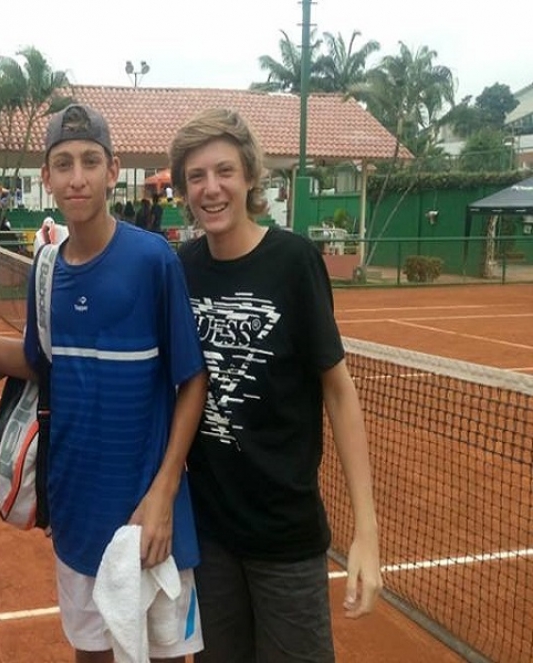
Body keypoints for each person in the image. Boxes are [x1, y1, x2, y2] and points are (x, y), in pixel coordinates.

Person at [0, 103, 209, 663]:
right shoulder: (44, 270)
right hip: (77, 516)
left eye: (90, 162)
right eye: (63, 164)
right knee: (92, 656)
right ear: (46, 178)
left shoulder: (153, 260)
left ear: (113, 171)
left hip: (151, 519)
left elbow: (192, 380)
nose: (77, 177)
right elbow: (43, 364)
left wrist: (162, 494)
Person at [169, 108, 382, 662]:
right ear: (183, 189)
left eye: (224, 172)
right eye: (197, 177)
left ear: (249, 178)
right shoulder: (182, 267)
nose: (211, 189)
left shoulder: (293, 262)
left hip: (286, 541)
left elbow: (338, 389)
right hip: (211, 539)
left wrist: (366, 532)